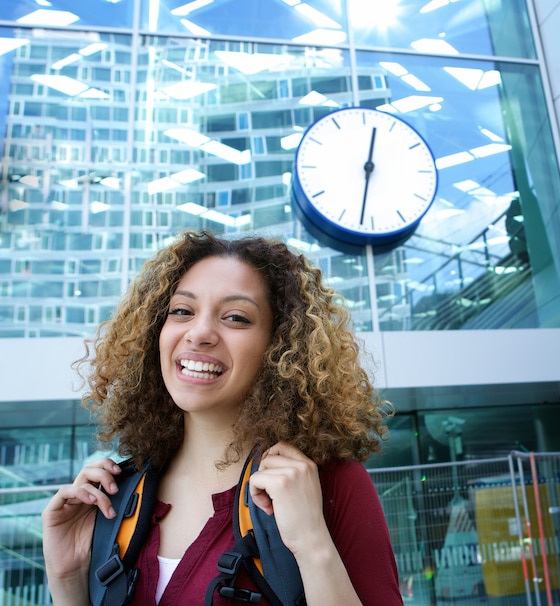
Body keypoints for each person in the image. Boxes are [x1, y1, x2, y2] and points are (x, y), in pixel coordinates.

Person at [42, 230, 403, 606]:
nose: (199, 334)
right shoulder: (116, 499)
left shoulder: (329, 485)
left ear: (279, 345)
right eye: (182, 311)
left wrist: (312, 544)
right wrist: (67, 579)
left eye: (235, 317)